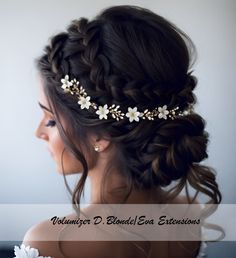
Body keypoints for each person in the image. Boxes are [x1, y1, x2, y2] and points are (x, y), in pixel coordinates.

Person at [13, 5, 221, 258]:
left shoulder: (49, 243)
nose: (38, 132)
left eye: (51, 120)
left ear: (100, 135)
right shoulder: (188, 211)